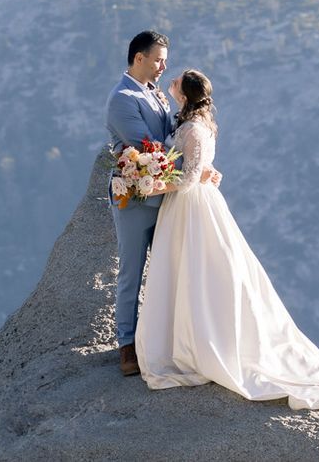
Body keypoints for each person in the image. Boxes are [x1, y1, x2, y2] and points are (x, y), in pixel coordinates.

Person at [134, 67, 319, 410]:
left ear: (185, 94)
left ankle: (191, 342)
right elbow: (199, 168)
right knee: (197, 269)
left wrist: (157, 185)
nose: (170, 84)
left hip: (189, 205)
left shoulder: (191, 128)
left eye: (175, 83)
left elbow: (188, 178)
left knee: (191, 268)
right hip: (199, 203)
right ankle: (190, 336)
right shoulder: (200, 125)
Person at [104, 30, 218, 377]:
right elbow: (151, 148)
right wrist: (193, 169)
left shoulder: (154, 94)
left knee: (173, 270)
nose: (163, 66)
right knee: (131, 272)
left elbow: (176, 140)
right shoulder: (123, 98)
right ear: (138, 58)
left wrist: (201, 165)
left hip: (169, 202)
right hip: (138, 202)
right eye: (157, 60)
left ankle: (169, 339)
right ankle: (127, 345)